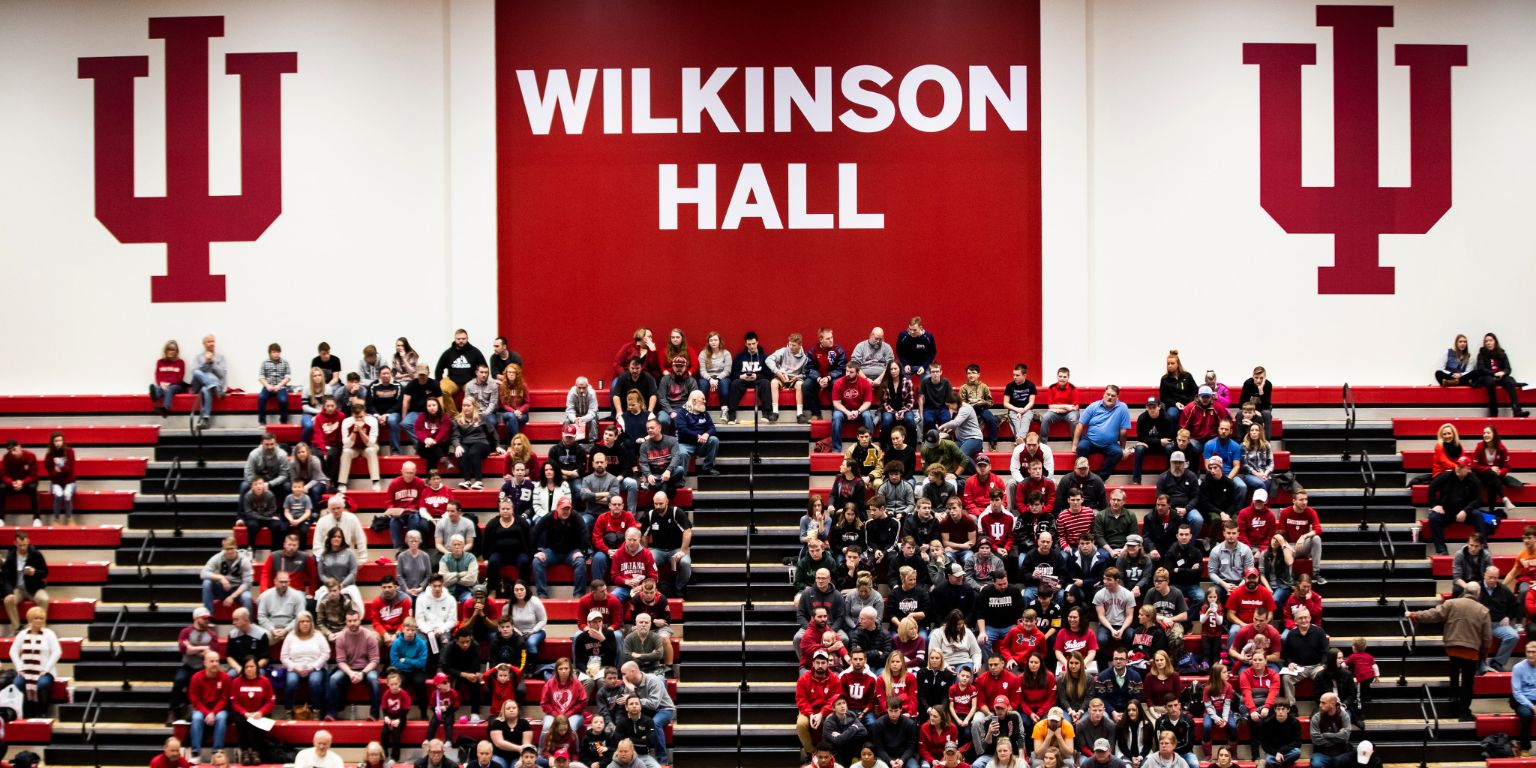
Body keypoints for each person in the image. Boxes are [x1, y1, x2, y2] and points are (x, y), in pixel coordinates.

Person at [1426, 457, 1488, 555]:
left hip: (1465, 513)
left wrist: (1465, 510)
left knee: (1479, 516)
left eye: (1462, 466)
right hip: (1447, 511)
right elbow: (1432, 488)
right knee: (1434, 517)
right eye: (1457, 465)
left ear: (1468, 469)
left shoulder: (1474, 480)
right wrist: (1434, 505)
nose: (1458, 468)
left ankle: (1483, 548)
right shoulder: (1446, 476)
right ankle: (1442, 550)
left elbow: (1479, 499)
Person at [10, 606, 60, 717]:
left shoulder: (49, 634)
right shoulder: (22, 634)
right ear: (30, 619)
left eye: (41, 618)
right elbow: (13, 651)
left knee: (42, 683)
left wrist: (46, 669)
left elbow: (57, 652)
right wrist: (19, 668)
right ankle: (28, 708)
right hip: (26, 671)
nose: (39, 621)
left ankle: (42, 710)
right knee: (17, 682)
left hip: (44, 671)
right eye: (36, 618)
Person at [642, 491, 693, 598]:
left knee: (685, 563)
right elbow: (644, 535)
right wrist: (645, 552)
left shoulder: (676, 512)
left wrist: (682, 551)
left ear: (667, 501)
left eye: (661, 503)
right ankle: (653, 588)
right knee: (646, 561)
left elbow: (687, 531)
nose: (658, 506)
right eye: (656, 504)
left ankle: (678, 587)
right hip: (657, 550)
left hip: (675, 550)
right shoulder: (651, 515)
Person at [1075, 386, 1131, 481]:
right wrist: (1074, 445)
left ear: (1117, 397)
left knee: (1117, 452)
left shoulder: (1122, 408)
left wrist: (1122, 448)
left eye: (1113, 396)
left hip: (1110, 444)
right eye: (1107, 394)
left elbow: (1123, 431)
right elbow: (1080, 424)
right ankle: (1082, 478)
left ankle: (1099, 480)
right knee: (1081, 448)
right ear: (1103, 394)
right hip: (1090, 440)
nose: (1109, 397)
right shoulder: (1093, 406)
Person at [280, 611, 330, 716]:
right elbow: (283, 657)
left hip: (315, 667)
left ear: (311, 623)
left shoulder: (318, 635)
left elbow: (326, 653)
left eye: (308, 621)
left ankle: (316, 711)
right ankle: (289, 711)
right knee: (291, 682)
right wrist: (295, 668)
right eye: (302, 621)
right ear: (297, 623)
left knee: (315, 681)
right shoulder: (291, 636)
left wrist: (313, 667)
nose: (305, 624)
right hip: (295, 667)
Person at [1469, 332, 1529, 417]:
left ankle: (1516, 410)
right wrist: (1494, 374)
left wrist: (1503, 373)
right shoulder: (1481, 354)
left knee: (1509, 382)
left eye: (1490, 340)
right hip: (1488, 376)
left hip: (1501, 376)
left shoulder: (1502, 353)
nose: (1488, 343)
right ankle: (1493, 411)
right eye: (1486, 341)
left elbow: (1508, 368)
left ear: (1495, 342)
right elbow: (1481, 369)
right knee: (1490, 382)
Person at [229, 655, 275, 765]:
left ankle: (256, 752)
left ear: (257, 667)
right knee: (240, 721)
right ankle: (245, 751)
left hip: (259, 712)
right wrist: (244, 713)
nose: (249, 669)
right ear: (243, 668)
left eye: (252, 666)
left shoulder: (265, 681)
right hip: (243, 713)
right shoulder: (236, 682)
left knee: (258, 724)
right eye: (247, 667)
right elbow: (234, 702)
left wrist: (261, 712)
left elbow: (270, 701)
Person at [1, 531, 48, 635]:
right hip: (18, 588)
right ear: (15, 543)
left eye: (25, 545)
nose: (23, 548)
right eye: (20, 545)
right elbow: (6, 577)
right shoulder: (11, 556)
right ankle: (17, 628)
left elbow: (45, 572)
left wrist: (34, 572)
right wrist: (9, 593)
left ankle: (41, 627)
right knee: (8, 600)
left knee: (44, 599)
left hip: (34, 587)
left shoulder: (36, 554)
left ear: (28, 542)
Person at [1470, 425, 1524, 512]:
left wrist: (1500, 472)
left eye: (1488, 433)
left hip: (1495, 476)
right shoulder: (1480, 447)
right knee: (1492, 474)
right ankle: (1504, 499)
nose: (1485, 435)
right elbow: (1474, 466)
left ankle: (1492, 509)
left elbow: (1506, 467)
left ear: (1494, 434)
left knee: (1493, 479)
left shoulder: (1502, 449)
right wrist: (1490, 468)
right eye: (1484, 433)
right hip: (1481, 474)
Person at [436, 329, 488, 417]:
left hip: (469, 380)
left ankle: (473, 415)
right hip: (452, 380)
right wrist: (439, 382)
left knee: (474, 389)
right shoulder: (448, 353)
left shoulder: (475, 352)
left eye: (463, 339)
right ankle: (455, 416)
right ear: (455, 339)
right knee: (443, 389)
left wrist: (480, 380)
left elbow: (484, 367)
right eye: (458, 339)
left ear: (467, 339)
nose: (461, 341)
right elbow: (438, 369)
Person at [1480, 565, 1523, 672]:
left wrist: (1508, 617)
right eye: (1490, 577)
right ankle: (1478, 664)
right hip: (1480, 625)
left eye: (1495, 578)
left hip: (1498, 624)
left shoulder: (1503, 589)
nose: (1492, 580)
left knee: (1513, 636)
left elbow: (1515, 605)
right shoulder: (1476, 588)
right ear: (1484, 575)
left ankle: (1497, 662)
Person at [726, 331, 772, 425]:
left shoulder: (764, 357)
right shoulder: (739, 357)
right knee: (735, 383)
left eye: (753, 344)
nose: (751, 346)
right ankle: (732, 415)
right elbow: (733, 374)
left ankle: (766, 413)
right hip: (743, 380)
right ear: (745, 344)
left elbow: (769, 375)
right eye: (749, 344)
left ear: (757, 343)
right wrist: (740, 376)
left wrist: (757, 376)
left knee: (765, 383)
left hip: (758, 380)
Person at [200, 536, 253, 615]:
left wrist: (232, 597)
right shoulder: (218, 557)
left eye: (231, 548)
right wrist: (221, 578)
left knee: (247, 597)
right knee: (207, 582)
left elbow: (247, 583)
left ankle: (248, 623)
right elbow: (203, 573)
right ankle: (209, 616)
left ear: (236, 547)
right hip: (223, 589)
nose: (229, 552)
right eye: (226, 549)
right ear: (223, 548)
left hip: (238, 590)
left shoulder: (244, 560)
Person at [675, 390, 721, 476]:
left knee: (714, 440)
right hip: (686, 443)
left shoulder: (704, 413)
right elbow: (682, 429)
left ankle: (708, 468)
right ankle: (680, 478)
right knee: (682, 453)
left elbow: (712, 428)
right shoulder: (682, 412)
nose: (705, 401)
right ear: (694, 400)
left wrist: (706, 434)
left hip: (701, 443)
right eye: (703, 399)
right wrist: (697, 436)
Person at [1308, 693, 1353, 768]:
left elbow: (1345, 738)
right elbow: (1316, 740)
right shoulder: (1316, 718)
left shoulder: (1344, 716)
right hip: (1321, 753)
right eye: (1320, 702)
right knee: (1316, 765)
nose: (1320, 705)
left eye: (1323, 703)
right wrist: (1338, 736)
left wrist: (1325, 735)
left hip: (1341, 752)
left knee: (1346, 762)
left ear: (1332, 704)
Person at [1255, 701, 1300, 768]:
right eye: (1278, 709)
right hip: (1273, 753)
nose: (1280, 712)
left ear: (1288, 710)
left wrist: (1281, 751)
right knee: (1269, 759)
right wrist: (1276, 753)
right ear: (1275, 710)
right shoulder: (1267, 723)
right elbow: (1265, 744)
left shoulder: (1294, 722)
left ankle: (1274, 764)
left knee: (1297, 752)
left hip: (1287, 751)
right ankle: (1280, 763)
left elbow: (1298, 742)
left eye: (1283, 709)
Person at [1512, 641, 1536, 757]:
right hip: (1522, 699)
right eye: (1528, 652)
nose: (1531, 655)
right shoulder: (1518, 667)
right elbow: (1517, 692)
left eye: (1534, 652)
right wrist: (1532, 706)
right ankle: (1525, 747)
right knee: (1526, 715)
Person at [563, 375, 598, 441]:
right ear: (576, 386)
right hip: (576, 415)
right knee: (567, 421)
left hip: (589, 415)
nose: (581, 390)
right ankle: (567, 441)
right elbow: (570, 410)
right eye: (579, 388)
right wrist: (575, 419)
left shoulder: (592, 393)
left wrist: (583, 419)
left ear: (587, 386)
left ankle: (592, 442)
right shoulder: (571, 393)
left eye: (584, 388)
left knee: (593, 421)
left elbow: (593, 411)